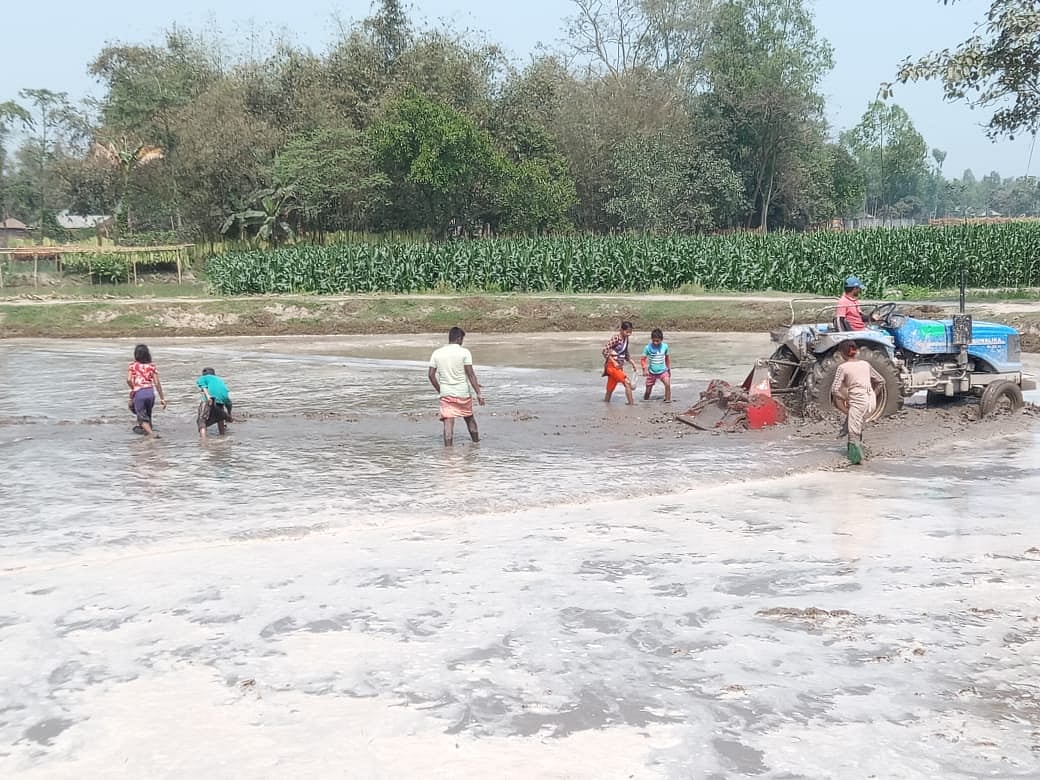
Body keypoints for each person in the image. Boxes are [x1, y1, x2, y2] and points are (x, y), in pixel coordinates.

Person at [427, 326, 485, 446]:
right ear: (459, 339)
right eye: (462, 339)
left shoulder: (437, 353)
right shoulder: (464, 352)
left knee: (448, 422)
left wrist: (440, 390)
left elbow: (431, 375)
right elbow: (471, 374)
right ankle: (476, 444)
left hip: (446, 393)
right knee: (469, 418)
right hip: (462, 393)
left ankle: (448, 450)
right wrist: (478, 393)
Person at [830, 341, 885, 464]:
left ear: (842, 354)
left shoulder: (843, 367)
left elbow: (834, 390)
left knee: (853, 432)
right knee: (856, 424)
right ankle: (861, 451)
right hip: (871, 402)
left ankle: (857, 461)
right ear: (856, 352)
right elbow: (881, 381)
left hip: (858, 402)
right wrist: (873, 394)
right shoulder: (865, 364)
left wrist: (846, 399)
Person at [126, 344, 166, 437]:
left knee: (140, 416)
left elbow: (128, 380)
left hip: (139, 392)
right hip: (150, 392)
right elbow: (157, 383)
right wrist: (162, 398)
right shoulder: (151, 366)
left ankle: (152, 435)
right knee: (148, 415)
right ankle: (147, 430)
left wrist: (133, 388)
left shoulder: (133, 366)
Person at [602, 321, 637, 404]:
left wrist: (632, 363)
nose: (629, 334)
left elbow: (625, 353)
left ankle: (606, 405)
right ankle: (631, 404)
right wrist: (614, 362)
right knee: (627, 383)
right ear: (621, 330)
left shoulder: (626, 339)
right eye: (627, 332)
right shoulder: (616, 338)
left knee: (610, 389)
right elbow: (605, 351)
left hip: (619, 367)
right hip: (612, 366)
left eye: (630, 332)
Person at [196, 367, 233, 440]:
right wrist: (229, 414)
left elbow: (203, 386)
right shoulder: (220, 381)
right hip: (221, 401)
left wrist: (208, 396)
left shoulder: (204, 378)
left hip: (209, 400)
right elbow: (228, 403)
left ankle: (203, 440)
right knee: (220, 418)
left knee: (201, 421)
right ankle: (222, 436)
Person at [640, 328, 672, 402]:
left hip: (663, 371)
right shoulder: (647, 347)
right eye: (653, 340)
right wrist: (644, 369)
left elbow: (667, 358)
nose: (655, 343)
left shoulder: (665, 346)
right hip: (652, 372)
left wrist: (668, 369)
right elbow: (643, 359)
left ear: (661, 339)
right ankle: (645, 402)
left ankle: (668, 400)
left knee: (667, 384)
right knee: (648, 391)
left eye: (657, 341)